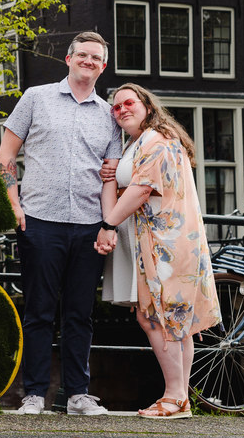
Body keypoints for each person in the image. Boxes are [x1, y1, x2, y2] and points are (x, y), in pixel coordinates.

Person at [0, 31, 124, 416]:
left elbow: (109, 177)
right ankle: (34, 395)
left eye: (96, 58)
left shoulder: (109, 116)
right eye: (82, 54)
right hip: (39, 221)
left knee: (79, 314)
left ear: (103, 67)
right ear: (68, 59)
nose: (88, 61)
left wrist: (109, 225)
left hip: (87, 225)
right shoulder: (36, 98)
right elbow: (5, 154)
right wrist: (13, 204)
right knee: (38, 310)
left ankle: (77, 396)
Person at [94, 83, 220, 420]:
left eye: (128, 103)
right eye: (116, 107)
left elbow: (142, 190)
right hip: (159, 241)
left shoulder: (158, 141)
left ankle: (175, 396)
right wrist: (111, 176)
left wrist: (107, 226)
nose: (121, 110)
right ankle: (178, 397)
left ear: (147, 106)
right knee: (176, 320)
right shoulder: (139, 144)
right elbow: (127, 190)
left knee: (155, 317)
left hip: (166, 242)